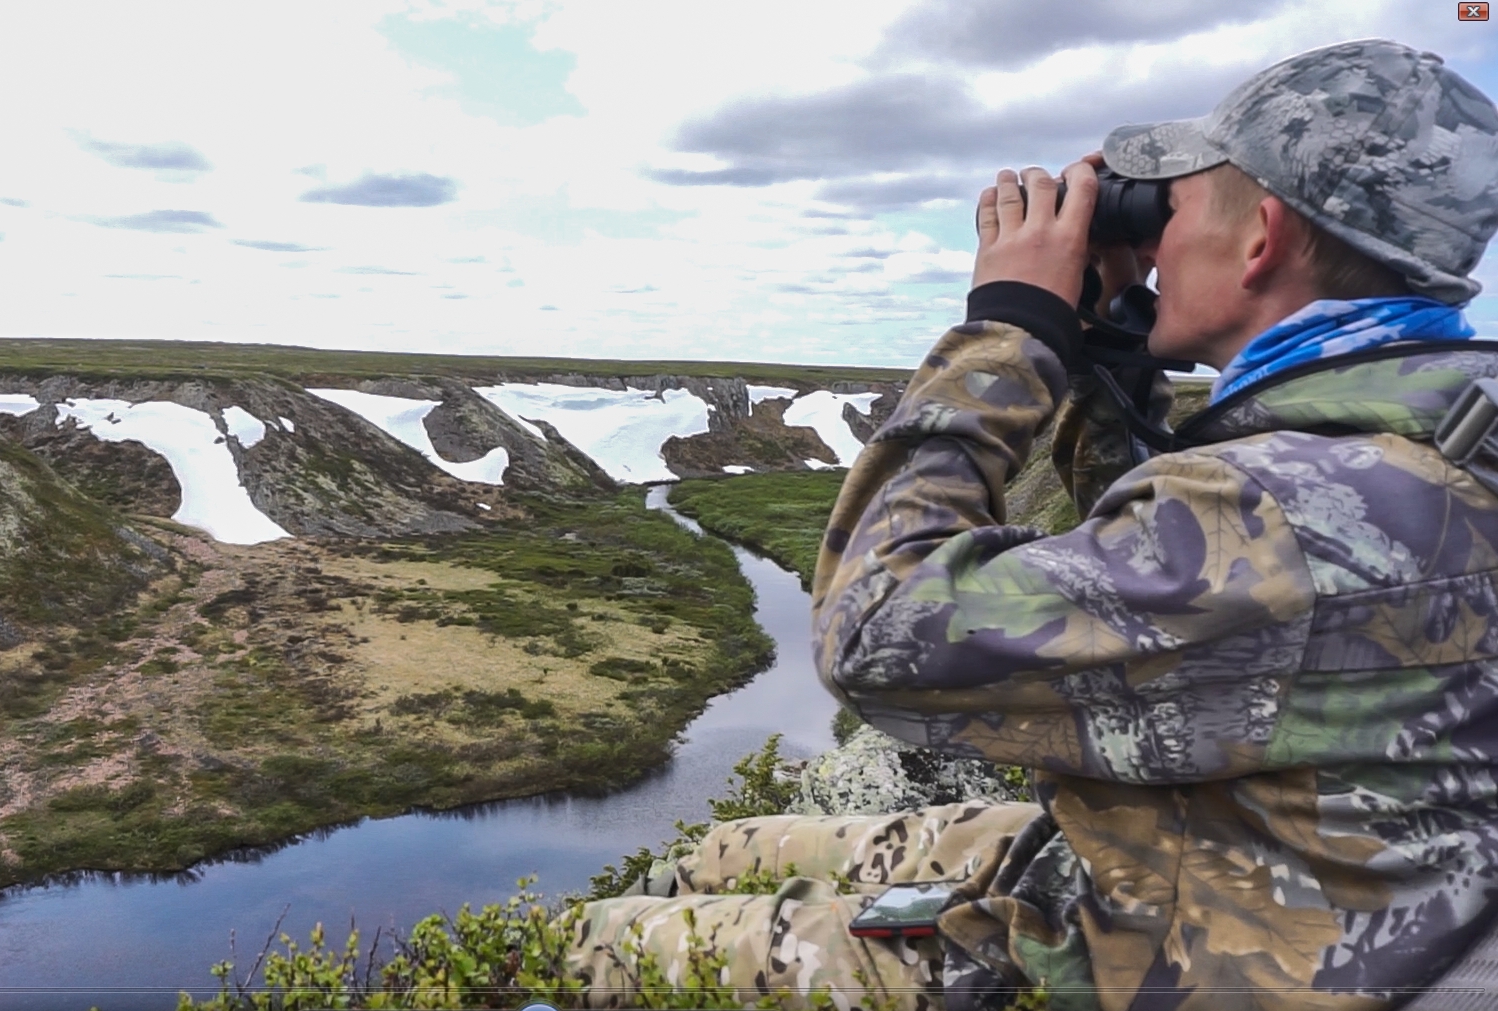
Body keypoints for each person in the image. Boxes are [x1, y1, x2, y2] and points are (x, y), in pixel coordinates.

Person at [565, 38, 1498, 1010]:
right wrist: (1106, 354)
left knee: (572, 950)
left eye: (1167, 210)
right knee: (727, 847)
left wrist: (1006, 331)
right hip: (1267, 882)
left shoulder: (1280, 510)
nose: (1149, 241)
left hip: (1161, 963)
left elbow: (874, 642)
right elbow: (1151, 583)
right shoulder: (1428, 445)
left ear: (1257, 237)